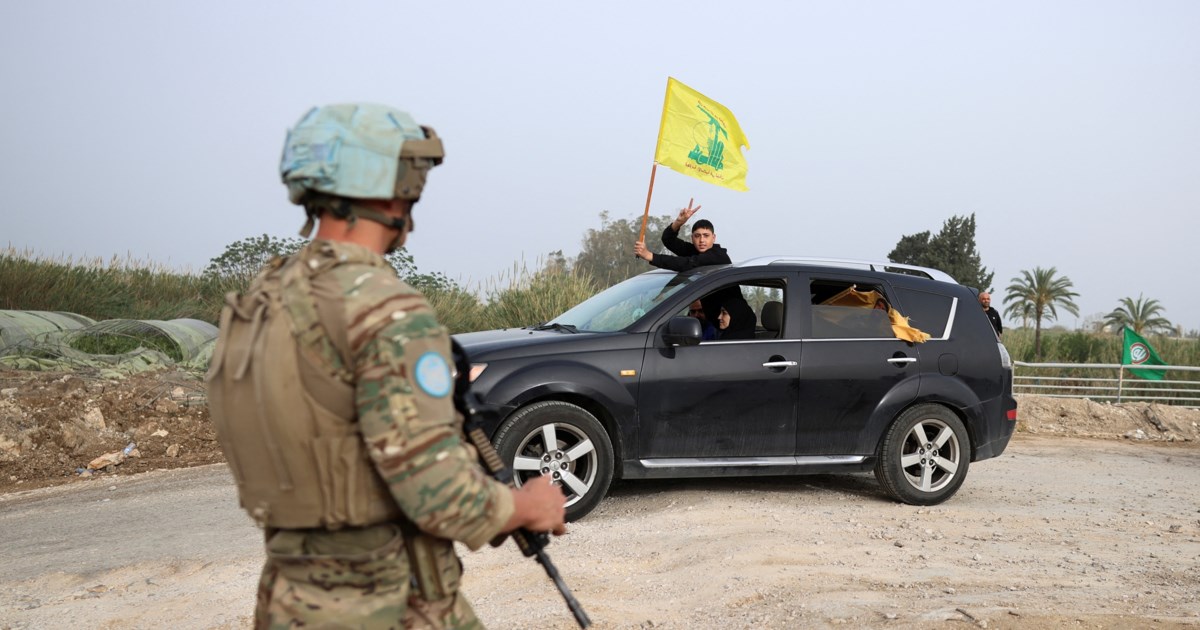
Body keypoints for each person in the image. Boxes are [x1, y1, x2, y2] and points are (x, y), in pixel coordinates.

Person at [205, 103, 567, 628]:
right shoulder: (384, 310)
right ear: (387, 182)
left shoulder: (260, 302)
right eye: (411, 176)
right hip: (387, 600)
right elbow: (438, 494)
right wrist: (528, 505)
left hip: (289, 596)